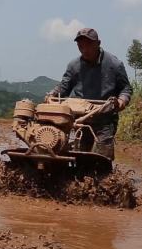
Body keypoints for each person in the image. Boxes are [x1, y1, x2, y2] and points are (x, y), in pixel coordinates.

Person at [47, 28, 133, 159]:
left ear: (98, 43)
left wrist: (121, 101)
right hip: (81, 119)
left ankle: (106, 179)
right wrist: (52, 95)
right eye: (80, 46)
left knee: (101, 158)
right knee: (80, 156)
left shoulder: (114, 64)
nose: (84, 49)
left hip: (105, 118)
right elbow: (64, 88)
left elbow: (126, 89)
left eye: (88, 45)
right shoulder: (74, 66)